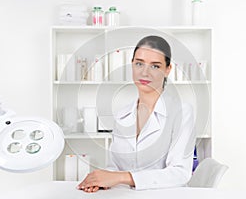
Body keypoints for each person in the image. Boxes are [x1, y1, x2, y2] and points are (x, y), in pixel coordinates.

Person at [77, 35, 196, 192]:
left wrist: (121, 177)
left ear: (167, 70)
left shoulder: (181, 112)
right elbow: (114, 167)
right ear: (132, 65)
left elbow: (180, 173)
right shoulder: (122, 114)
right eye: (139, 63)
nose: (145, 73)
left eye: (155, 66)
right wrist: (100, 181)